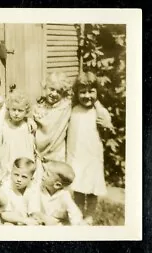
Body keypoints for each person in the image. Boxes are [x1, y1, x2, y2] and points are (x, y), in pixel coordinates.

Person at [67, 72, 114, 225]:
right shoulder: (73, 109)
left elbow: (107, 133)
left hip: (92, 156)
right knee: (78, 186)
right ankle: (78, 214)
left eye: (91, 91)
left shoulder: (100, 112)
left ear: (97, 91)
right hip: (76, 155)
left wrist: (107, 126)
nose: (87, 95)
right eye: (83, 92)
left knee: (93, 188)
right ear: (76, 93)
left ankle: (89, 217)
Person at [33, 72, 73, 162]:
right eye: (51, 89)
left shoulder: (65, 107)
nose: (54, 94)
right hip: (38, 154)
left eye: (59, 91)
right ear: (45, 87)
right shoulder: (38, 106)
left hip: (56, 155)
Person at [32, 160, 85, 226]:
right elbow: (33, 208)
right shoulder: (38, 188)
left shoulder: (64, 195)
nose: (43, 175)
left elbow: (75, 213)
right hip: (42, 222)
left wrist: (78, 225)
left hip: (58, 226)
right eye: (44, 171)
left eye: (47, 174)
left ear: (57, 185)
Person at [0, 90, 35, 181]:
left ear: (26, 112)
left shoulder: (27, 126)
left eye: (20, 110)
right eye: (13, 109)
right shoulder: (4, 125)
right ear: (9, 109)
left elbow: (30, 147)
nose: (16, 113)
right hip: (7, 161)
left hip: (22, 162)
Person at [0, 158, 40, 225]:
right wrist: (24, 220)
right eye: (16, 174)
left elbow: (33, 211)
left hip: (26, 221)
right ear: (11, 172)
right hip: (10, 220)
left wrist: (34, 218)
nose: (19, 179)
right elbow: (4, 214)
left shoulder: (33, 188)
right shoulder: (6, 186)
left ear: (31, 178)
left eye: (24, 177)